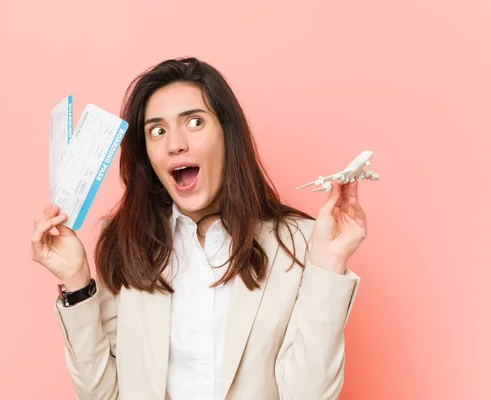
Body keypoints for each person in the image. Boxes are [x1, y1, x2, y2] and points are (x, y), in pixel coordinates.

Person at [31, 57, 365, 400]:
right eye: (157, 130)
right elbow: (103, 395)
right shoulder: (126, 244)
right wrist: (76, 285)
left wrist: (329, 263)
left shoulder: (297, 243)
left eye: (194, 122)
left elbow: (308, 395)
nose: (175, 143)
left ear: (227, 135)